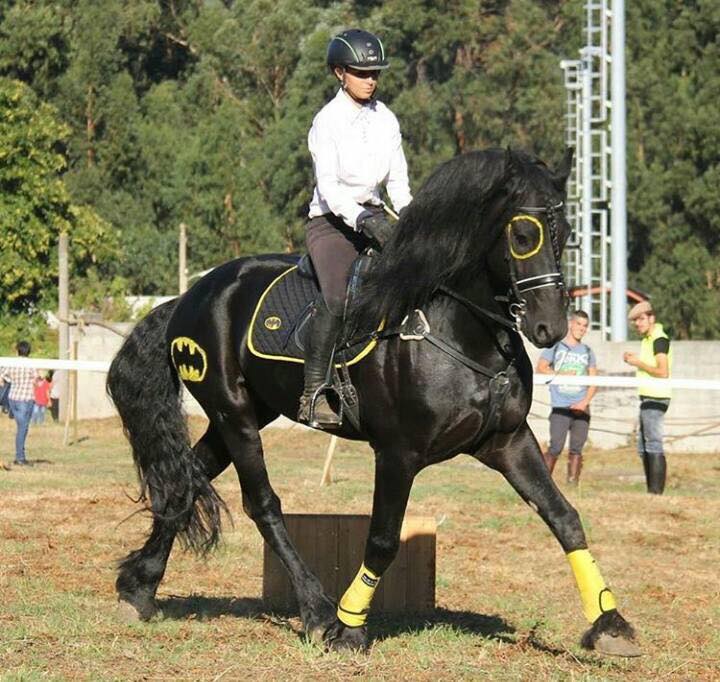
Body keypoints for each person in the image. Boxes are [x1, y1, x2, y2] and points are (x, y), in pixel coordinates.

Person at [299, 28, 412, 427]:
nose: (370, 80)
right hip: (331, 224)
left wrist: (413, 223)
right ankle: (315, 391)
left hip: (377, 217)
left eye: (375, 73)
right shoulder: (326, 121)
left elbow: (397, 183)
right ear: (338, 73)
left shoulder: (387, 119)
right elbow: (329, 187)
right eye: (361, 73)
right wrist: (362, 219)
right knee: (338, 297)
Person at [535, 310, 597, 485]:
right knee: (556, 447)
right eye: (579, 324)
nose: (582, 329)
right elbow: (540, 368)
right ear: (571, 323)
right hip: (560, 406)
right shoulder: (555, 347)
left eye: (585, 326)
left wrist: (584, 403)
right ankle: (544, 483)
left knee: (577, 448)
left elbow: (595, 380)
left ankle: (572, 483)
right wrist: (561, 374)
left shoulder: (587, 351)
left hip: (581, 406)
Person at [623, 301, 672, 495]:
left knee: (652, 444)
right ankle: (651, 490)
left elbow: (662, 371)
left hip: (656, 396)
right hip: (648, 396)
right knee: (644, 447)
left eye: (641, 319)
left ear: (652, 318)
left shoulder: (659, 339)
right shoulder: (649, 340)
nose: (638, 324)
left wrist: (638, 362)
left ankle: (655, 492)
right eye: (635, 320)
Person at [0, 341, 37, 466]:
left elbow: (2, 376)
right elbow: (36, 379)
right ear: (29, 351)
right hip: (25, 399)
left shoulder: (12, 363)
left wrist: (10, 380)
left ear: (18, 351)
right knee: (23, 428)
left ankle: (20, 455)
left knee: (22, 427)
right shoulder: (31, 364)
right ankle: (20, 457)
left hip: (13, 398)